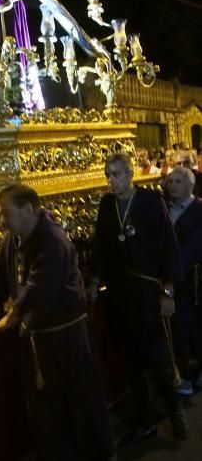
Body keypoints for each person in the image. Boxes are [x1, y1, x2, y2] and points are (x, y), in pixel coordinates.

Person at [0, 183, 115, 461]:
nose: (1, 221)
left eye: (5, 213)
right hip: (36, 339)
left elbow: (38, 289)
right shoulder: (13, 239)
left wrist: (11, 317)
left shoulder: (52, 240)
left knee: (79, 402)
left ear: (28, 209)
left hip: (66, 339)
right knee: (45, 409)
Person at [89, 153, 187, 443]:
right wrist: (95, 279)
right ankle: (144, 418)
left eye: (117, 174)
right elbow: (100, 246)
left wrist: (168, 290)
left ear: (130, 174)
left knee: (157, 358)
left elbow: (167, 244)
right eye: (108, 175)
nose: (112, 181)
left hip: (147, 290)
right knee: (131, 361)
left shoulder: (149, 201)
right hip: (119, 293)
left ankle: (175, 411)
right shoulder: (107, 206)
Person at [165, 167, 202, 395]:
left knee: (195, 325)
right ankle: (186, 374)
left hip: (193, 280)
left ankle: (195, 372)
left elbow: (193, 248)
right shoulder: (165, 209)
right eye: (169, 182)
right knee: (179, 327)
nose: (172, 186)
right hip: (175, 280)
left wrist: (170, 269)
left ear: (190, 185)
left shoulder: (199, 210)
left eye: (177, 181)